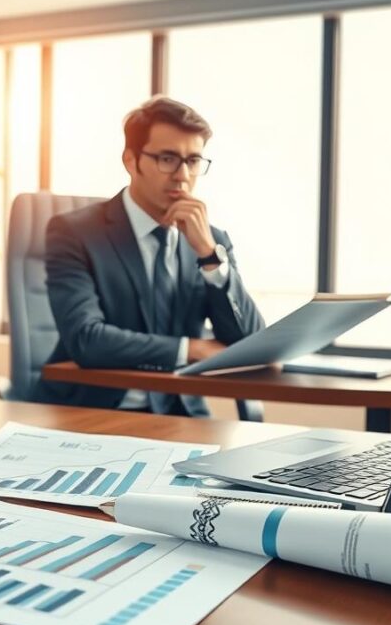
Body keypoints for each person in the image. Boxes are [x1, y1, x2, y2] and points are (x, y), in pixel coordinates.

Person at [35, 96, 265, 417]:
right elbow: (87, 339)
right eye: (168, 158)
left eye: (193, 160)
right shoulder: (74, 232)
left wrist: (210, 257)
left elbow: (251, 344)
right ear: (131, 161)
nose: (183, 175)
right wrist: (191, 349)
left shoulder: (212, 240)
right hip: (93, 413)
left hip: (183, 416)